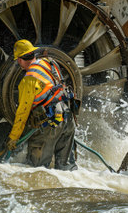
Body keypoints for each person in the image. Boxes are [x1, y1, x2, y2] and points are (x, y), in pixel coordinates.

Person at [6, 39, 77, 170]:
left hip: (49, 125)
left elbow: (22, 112)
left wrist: (13, 138)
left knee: (37, 171)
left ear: (20, 60)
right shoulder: (49, 62)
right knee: (68, 170)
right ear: (33, 53)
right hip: (67, 119)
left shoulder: (30, 78)